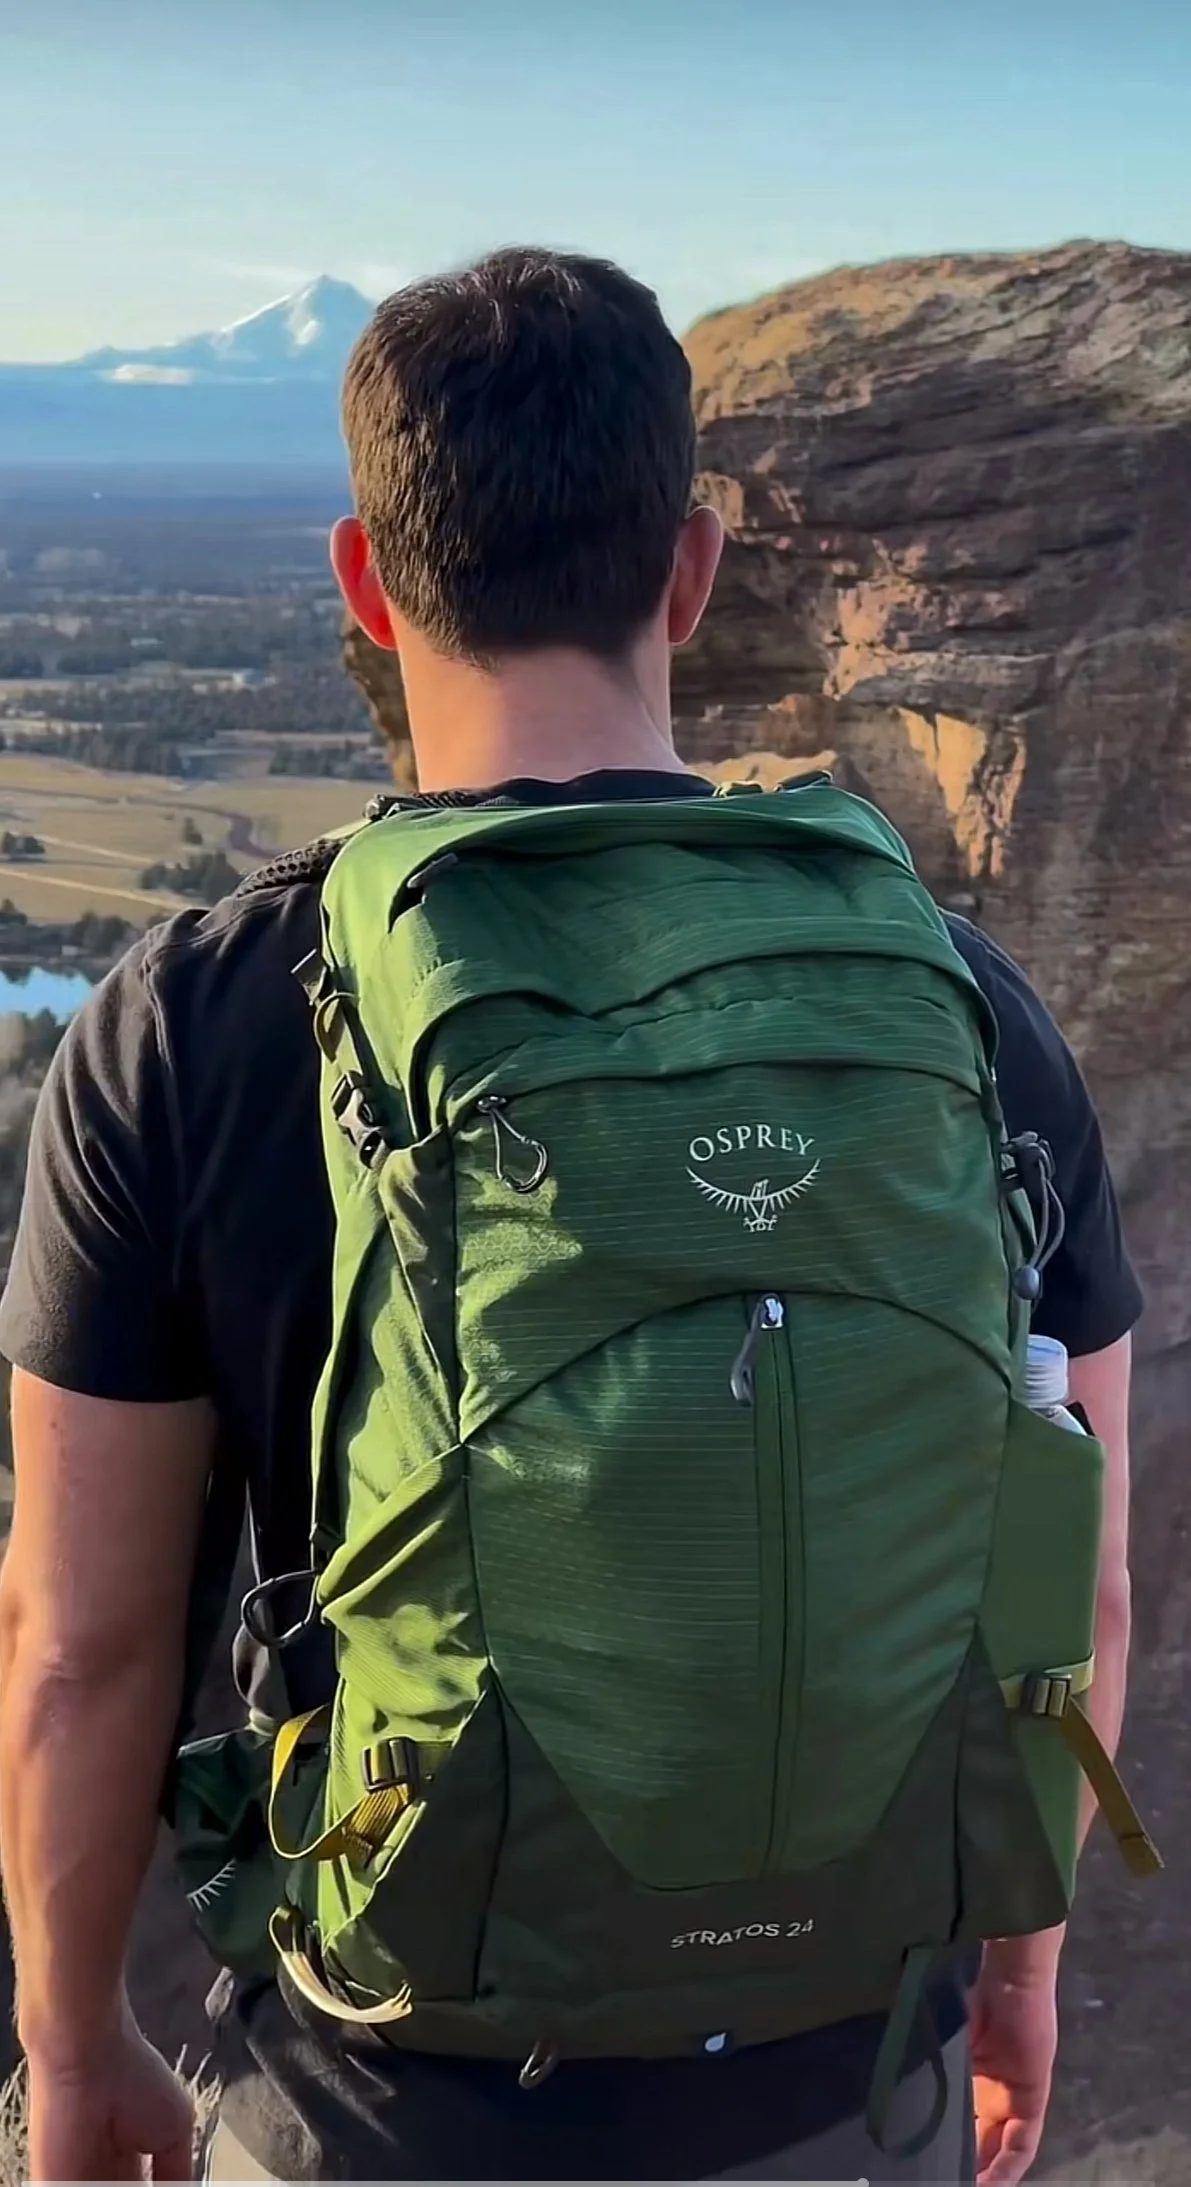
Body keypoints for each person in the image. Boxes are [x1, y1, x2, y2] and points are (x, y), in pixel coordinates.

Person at [0, 247, 1139, 2187]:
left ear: (365, 584)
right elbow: (1075, 1579)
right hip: (847, 2092)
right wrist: (1015, 1973)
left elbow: (80, 1649)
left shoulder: (193, 1021)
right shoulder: (951, 1007)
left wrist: (72, 2042)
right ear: (687, 570)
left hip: (383, 2107)